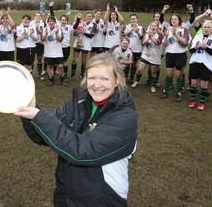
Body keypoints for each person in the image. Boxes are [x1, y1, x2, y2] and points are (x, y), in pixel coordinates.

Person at [15, 52, 137, 207]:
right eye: (92, 78)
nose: (97, 84)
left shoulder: (125, 117)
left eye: (105, 79)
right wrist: (29, 109)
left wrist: (38, 116)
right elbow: (43, 134)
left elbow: (82, 151)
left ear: (116, 81)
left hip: (102, 199)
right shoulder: (79, 102)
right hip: (67, 194)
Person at [159, 13, 191, 102]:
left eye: (175, 19)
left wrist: (175, 34)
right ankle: (166, 91)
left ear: (179, 21)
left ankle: (178, 92)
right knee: (169, 74)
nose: (173, 20)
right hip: (169, 54)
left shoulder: (184, 30)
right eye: (172, 19)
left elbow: (185, 42)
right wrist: (165, 36)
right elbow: (165, 44)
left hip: (180, 55)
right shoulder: (167, 30)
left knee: (178, 75)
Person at [188, 20, 212, 111]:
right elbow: (191, 50)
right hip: (195, 62)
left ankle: (202, 102)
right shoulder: (197, 36)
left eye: (208, 27)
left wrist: (205, 47)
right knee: (194, 83)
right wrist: (196, 47)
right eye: (205, 27)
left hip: (206, 64)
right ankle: (192, 100)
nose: (206, 29)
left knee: (204, 85)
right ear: (202, 28)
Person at [131, 21, 165, 93]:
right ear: (150, 27)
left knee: (153, 72)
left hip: (155, 56)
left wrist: (151, 37)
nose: (153, 27)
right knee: (139, 70)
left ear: (157, 27)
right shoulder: (146, 34)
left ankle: (153, 85)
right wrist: (148, 38)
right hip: (145, 55)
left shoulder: (160, 35)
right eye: (151, 26)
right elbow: (143, 44)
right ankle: (137, 81)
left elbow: (157, 44)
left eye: (155, 26)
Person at [42, 16, 67, 86]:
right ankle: (51, 80)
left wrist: (56, 33)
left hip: (57, 51)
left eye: (52, 21)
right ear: (48, 22)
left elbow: (60, 40)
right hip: (48, 51)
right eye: (50, 21)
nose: (51, 22)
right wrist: (46, 34)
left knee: (60, 66)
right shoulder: (45, 29)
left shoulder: (59, 29)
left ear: (55, 22)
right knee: (50, 66)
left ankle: (62, 80)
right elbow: (42, 39)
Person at [70, 12, 95, 80]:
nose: (89, 17)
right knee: (74, 59)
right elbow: (74, 33)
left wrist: (84, 33)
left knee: (84, 60)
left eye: (90, 16)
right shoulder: (81, 23)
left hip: (86, 45)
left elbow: (91, 35)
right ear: (85, 17)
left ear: (92, 18)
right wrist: (76, 32)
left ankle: (82, 74)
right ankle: (72, 74)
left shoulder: (94, 25)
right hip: (77, 43)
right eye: (87, 16)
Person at [123, 14, 144, 83]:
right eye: (132, 19)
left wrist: (137, 31)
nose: (133, 20)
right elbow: (124, 34)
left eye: (134, 19)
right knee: (126, 62)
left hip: (137, 49)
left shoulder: (140, 27)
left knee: (134, 63)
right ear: (130, 20)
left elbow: (141, 37)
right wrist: (132, 29)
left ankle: (132, 77)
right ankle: (125, 77)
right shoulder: (127, 26)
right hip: (128, 49)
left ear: (137, 20)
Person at [30, 12, 47, 80]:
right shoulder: (31, 23)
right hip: (32, 43)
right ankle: (30, 74)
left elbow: (45, 32)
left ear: (41, 17)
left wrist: (38, 30)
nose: (38, 17)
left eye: (39, 16)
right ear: (34, 17)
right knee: (31, 60)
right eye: (36, 16)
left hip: (40, 43)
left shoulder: (43, 23)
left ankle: (39, 74)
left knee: (39, 59)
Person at [60, 14, 74, 82]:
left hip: (66, 47)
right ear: (60, 20)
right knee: (58, 62)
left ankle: (64, 75)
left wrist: (78, 19)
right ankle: (56, 74)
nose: (64, 21)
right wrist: (51, 8)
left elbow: (76, 26)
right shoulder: (58, 26)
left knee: (64, 62)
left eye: (65, 20)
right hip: (58, 48)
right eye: (62, 20)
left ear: (67, 21)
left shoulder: (69, 27)